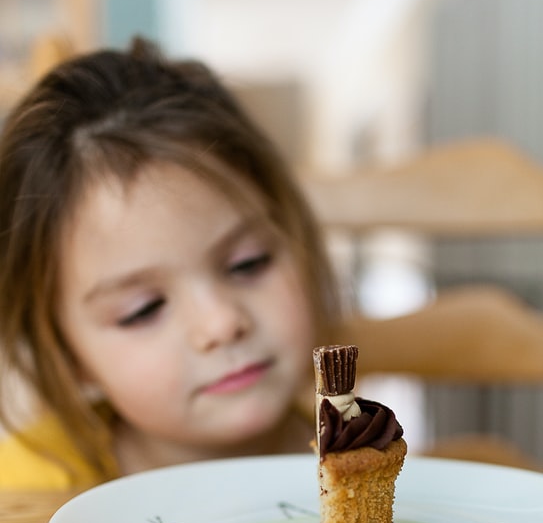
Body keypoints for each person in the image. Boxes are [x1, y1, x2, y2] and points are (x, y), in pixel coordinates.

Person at [0, 38, 338, 490]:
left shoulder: (363, 456)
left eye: (248, 264)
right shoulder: (21, 493)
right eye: (142, 309)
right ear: (67, 357)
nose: (220, 323)